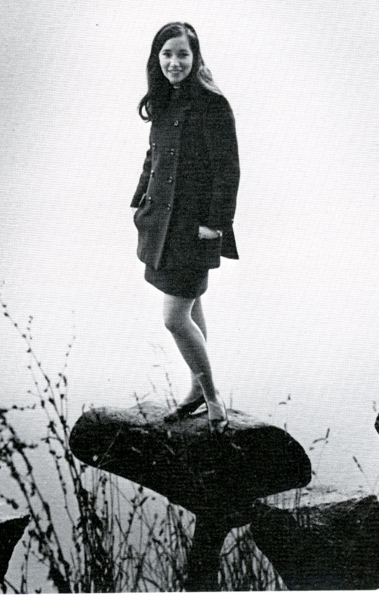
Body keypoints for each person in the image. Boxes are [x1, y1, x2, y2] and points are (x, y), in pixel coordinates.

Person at [131, 22, 240, 434]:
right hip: (161, 225)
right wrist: (140, 200)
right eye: (167, 54)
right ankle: (196, 392)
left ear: (196, 59)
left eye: (182, 54)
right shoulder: (163, 101)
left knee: (175, 317)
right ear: (156, 59)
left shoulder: (212, 104)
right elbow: (152, 157)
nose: (174, 63)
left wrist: (217, 224)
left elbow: (228, 170)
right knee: (191, 306)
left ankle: (213, 400)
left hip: (196, 228)